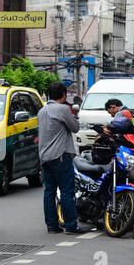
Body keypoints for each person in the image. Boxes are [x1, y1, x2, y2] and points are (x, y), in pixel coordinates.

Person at [38, 82, 88, 235]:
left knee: (49, 191)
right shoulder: (62, 109)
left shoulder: (42, 110)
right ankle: (71, 226)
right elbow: (75, 128)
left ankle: (52, 226)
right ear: (64, 95)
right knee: (66, 191)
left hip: (45, 157)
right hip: (60, 155)